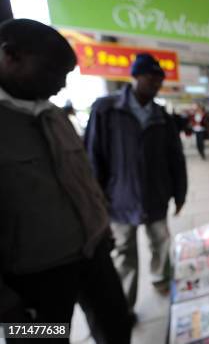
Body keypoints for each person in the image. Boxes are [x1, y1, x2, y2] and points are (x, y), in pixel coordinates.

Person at [0, 19, 131, 343]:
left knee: (116, 328)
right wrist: (6, 307)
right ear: (11, 56)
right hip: (32, 283)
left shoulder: (56, 116)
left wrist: (102, 228)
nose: (61, 85)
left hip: (94, 256)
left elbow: (83, 178)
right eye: (52, 72)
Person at [84, 53, 188, 317]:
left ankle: (160, 281)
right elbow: (93, 156)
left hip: (156, 196)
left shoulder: (162, 116)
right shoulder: (106, 110)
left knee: (160, 244)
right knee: (124, 254)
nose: (155, 83)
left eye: (159, 79)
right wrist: (97, 199)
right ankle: (124, 305)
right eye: (150, 77)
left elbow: (175, 158)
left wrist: (180, 193)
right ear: (136, 76)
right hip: (119, 200)